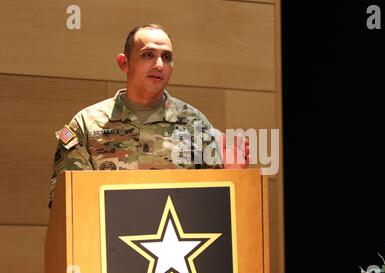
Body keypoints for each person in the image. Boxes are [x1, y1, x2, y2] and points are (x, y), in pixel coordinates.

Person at [49, 24, 249, 208]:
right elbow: (68, 202)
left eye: (167, 57)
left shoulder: (195, 124)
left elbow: (217, 207)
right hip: (104, 244)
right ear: (124, 63)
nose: (159, 65)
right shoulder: (84, 124)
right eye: (148, 55)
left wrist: (234, 176)